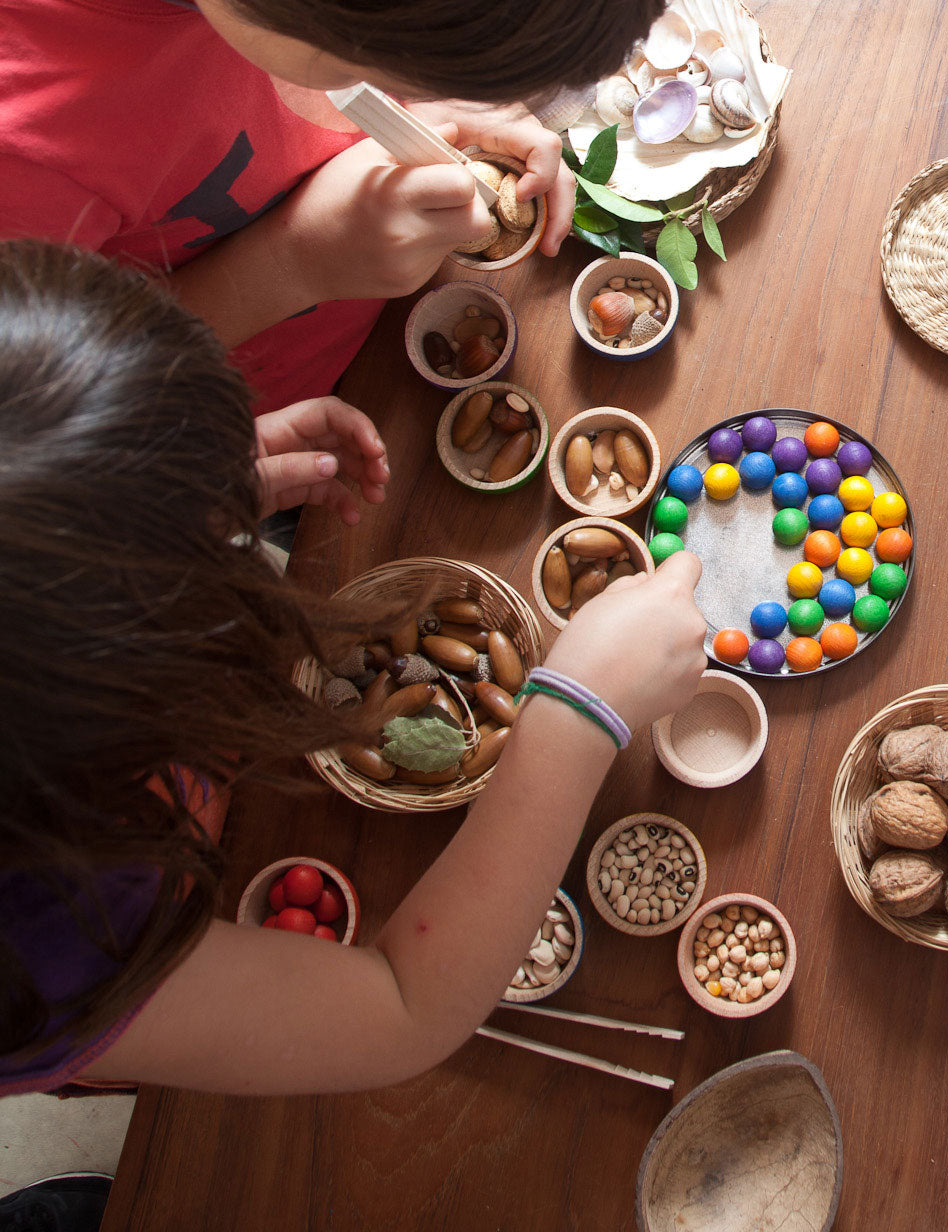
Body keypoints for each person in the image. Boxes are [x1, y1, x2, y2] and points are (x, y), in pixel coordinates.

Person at [0, 239, 708, 1097]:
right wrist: (577, 711)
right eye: (202, 561)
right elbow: (403, 1009)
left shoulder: (56, 644)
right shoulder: (49, 940)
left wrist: (186, 486)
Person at [0, 0, 664, 412]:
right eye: (365, 78)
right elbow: (42, 408)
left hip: (388, 331)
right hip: (252, 420)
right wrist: (293, 261)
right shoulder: (30, 133)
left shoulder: (310, 26)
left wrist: (439, 105)